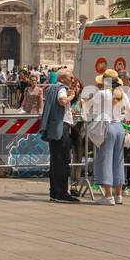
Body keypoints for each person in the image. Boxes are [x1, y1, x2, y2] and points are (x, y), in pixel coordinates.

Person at [87, 68, 130, 206]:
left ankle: (108, 196)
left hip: (107, 128)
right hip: (119, 128)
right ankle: (118, 195)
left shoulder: (101, 94)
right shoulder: (122, 94)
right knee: (118, 161)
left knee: (105, 160)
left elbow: (87, 109)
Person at [38, 68, 79, 203]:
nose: (72, 80)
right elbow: (62, 101)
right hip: (62, 127)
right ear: (62, 78)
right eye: (70, 77)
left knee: (55, 161)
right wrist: (72, 95)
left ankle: (54, 192)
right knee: (63, 160)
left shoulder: (51, 88)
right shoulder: (61, 88)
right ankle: (62, 193)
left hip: (54, 128)